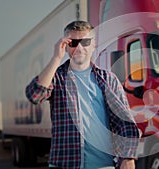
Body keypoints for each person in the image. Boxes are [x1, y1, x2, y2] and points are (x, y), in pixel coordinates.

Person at [25, 20, 140, 169]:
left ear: (93, 45)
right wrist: (56, 58)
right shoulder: (56, 77)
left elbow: (124, 121)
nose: (79, 47)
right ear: (66, 46)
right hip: (64, 163)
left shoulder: (108, 79)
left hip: (103, 165)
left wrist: (128, 157)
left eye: (85, 42)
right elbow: (34, 95)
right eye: (73, 42)